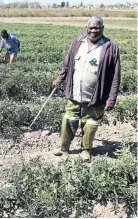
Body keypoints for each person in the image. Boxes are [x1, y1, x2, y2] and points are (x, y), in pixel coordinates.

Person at [52, 16, 121, 162]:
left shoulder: (110, 47)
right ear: (86, 28)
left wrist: (112, 98)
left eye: (97, 28)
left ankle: (86, 150)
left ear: (103, 28)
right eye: (91, 28)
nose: (94, 31)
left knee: (90, 124)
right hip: (75, 93)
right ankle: (64, 148)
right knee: (68, 120)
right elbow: (67, 64)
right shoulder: (77, 42)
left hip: (96, 96)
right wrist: (60, 78)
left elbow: (116, 76)